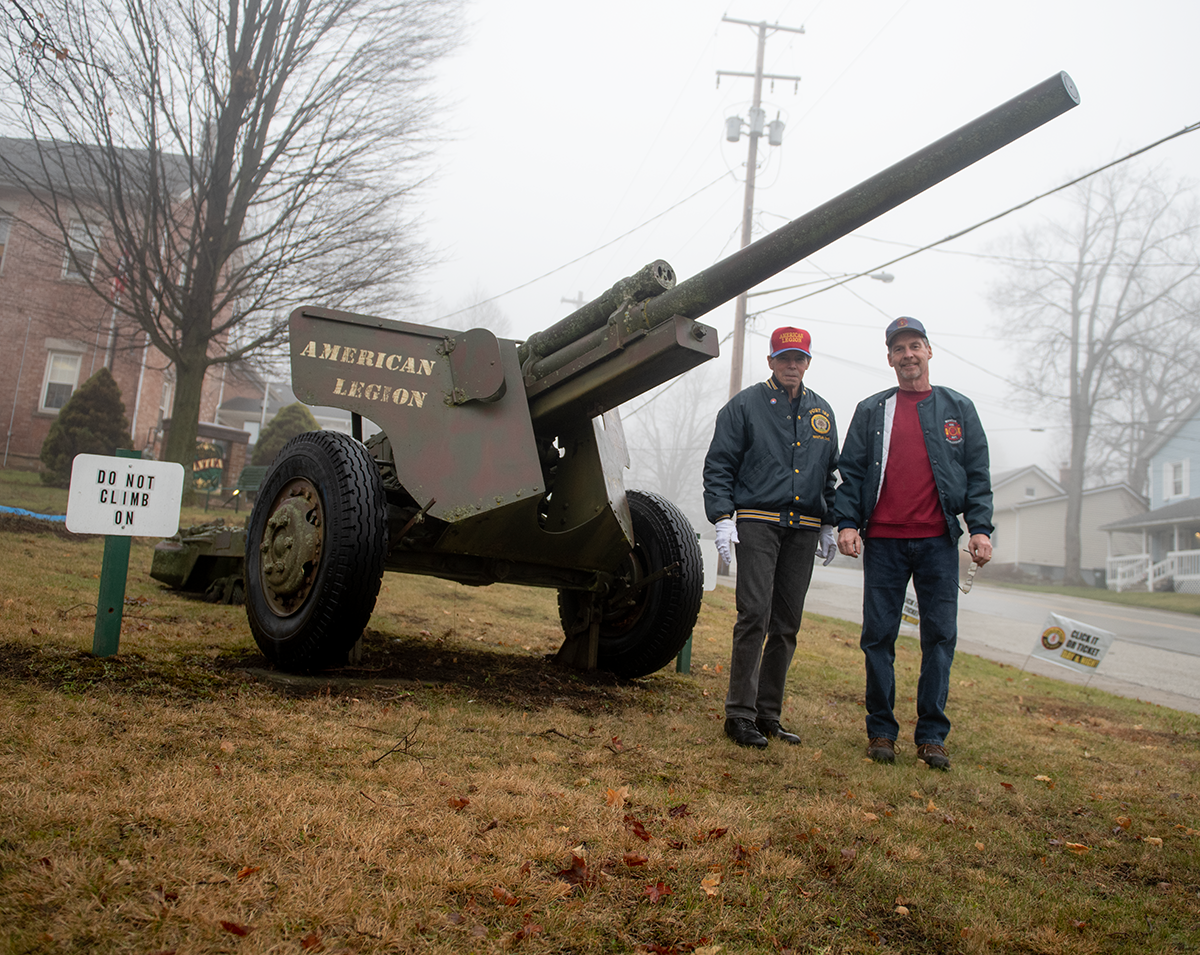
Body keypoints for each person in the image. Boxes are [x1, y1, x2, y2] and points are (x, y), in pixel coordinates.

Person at [833, 316, 993, 770]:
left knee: (939, 638)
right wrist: (847, 522)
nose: (908, 355)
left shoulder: (956, 408)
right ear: (889, 358)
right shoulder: (871, 410)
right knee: (878, 637)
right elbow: (852, 473)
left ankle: (932, 736)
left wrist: (979, 527)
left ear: (928, 351)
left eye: (915, 346)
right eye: (899, 348)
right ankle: (881, 731)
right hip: (882, 542)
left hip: (938, 543)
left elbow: (978, 474)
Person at [703, 327, 840, 749]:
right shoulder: (744, 406)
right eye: (785, 358)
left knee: (787, 623)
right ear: (771, 362)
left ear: (808, 362)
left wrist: (831, 520)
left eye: (799, 359)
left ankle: (768, 714)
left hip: (803, 527)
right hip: (759, 521)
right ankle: (739, 714)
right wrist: (723, 517)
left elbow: (829, 472)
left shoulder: (823, 412)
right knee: (754, 615)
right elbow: (720, 465)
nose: (792, 366)